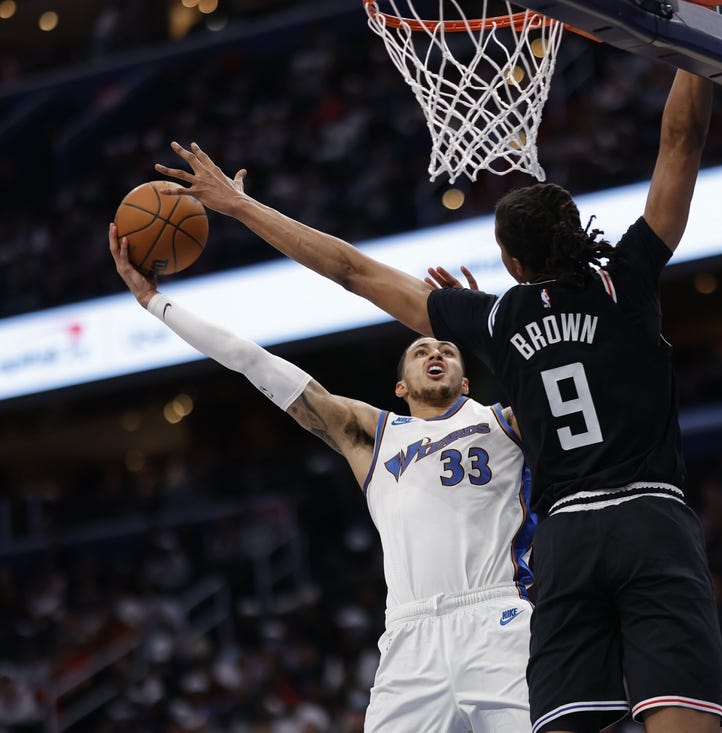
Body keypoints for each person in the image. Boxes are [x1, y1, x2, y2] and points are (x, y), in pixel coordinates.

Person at [154, 67, 722, 733]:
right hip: (648, 515)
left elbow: (352, 269)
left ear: (511, 263)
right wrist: (696, 43)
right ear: (575, 234)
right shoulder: (622, 283)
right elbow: (680, 140)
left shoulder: (497, 322)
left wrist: (241, 206)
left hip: (566, 542)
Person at [108, 225, 536, 732]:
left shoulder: (505, 421)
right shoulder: (371, 435)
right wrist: (155, 302)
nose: (435, 354)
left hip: (498, 618)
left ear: (466, 380)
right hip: (409, 638)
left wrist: (481, 322)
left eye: (447, 350)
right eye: (421, 352)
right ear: (401, 386)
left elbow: (554, 369)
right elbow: (253, 362)